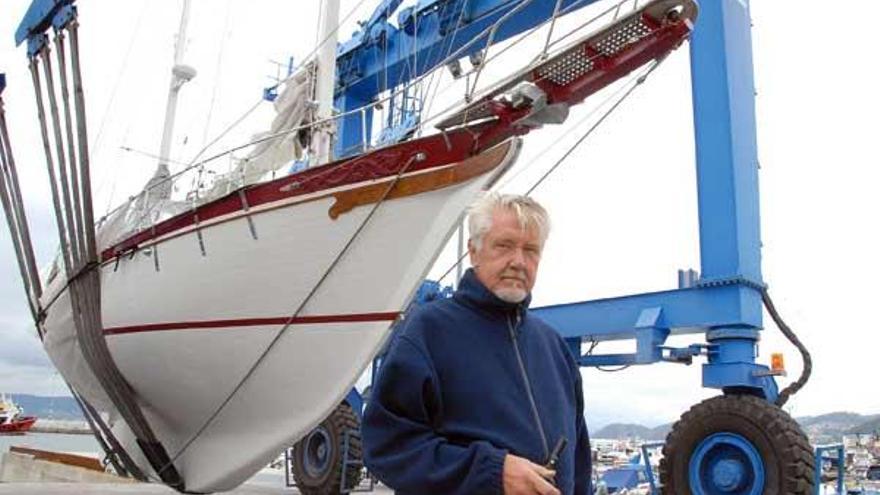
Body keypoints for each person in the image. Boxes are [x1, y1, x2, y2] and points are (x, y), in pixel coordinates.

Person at [362, 193, 591, 494]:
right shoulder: (428, 331)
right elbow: (386, 447)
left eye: (531, 250)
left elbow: (580, 463)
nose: (519, 261)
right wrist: (492, 472)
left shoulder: (553, 346)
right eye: (504, 245)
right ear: (473, 251)